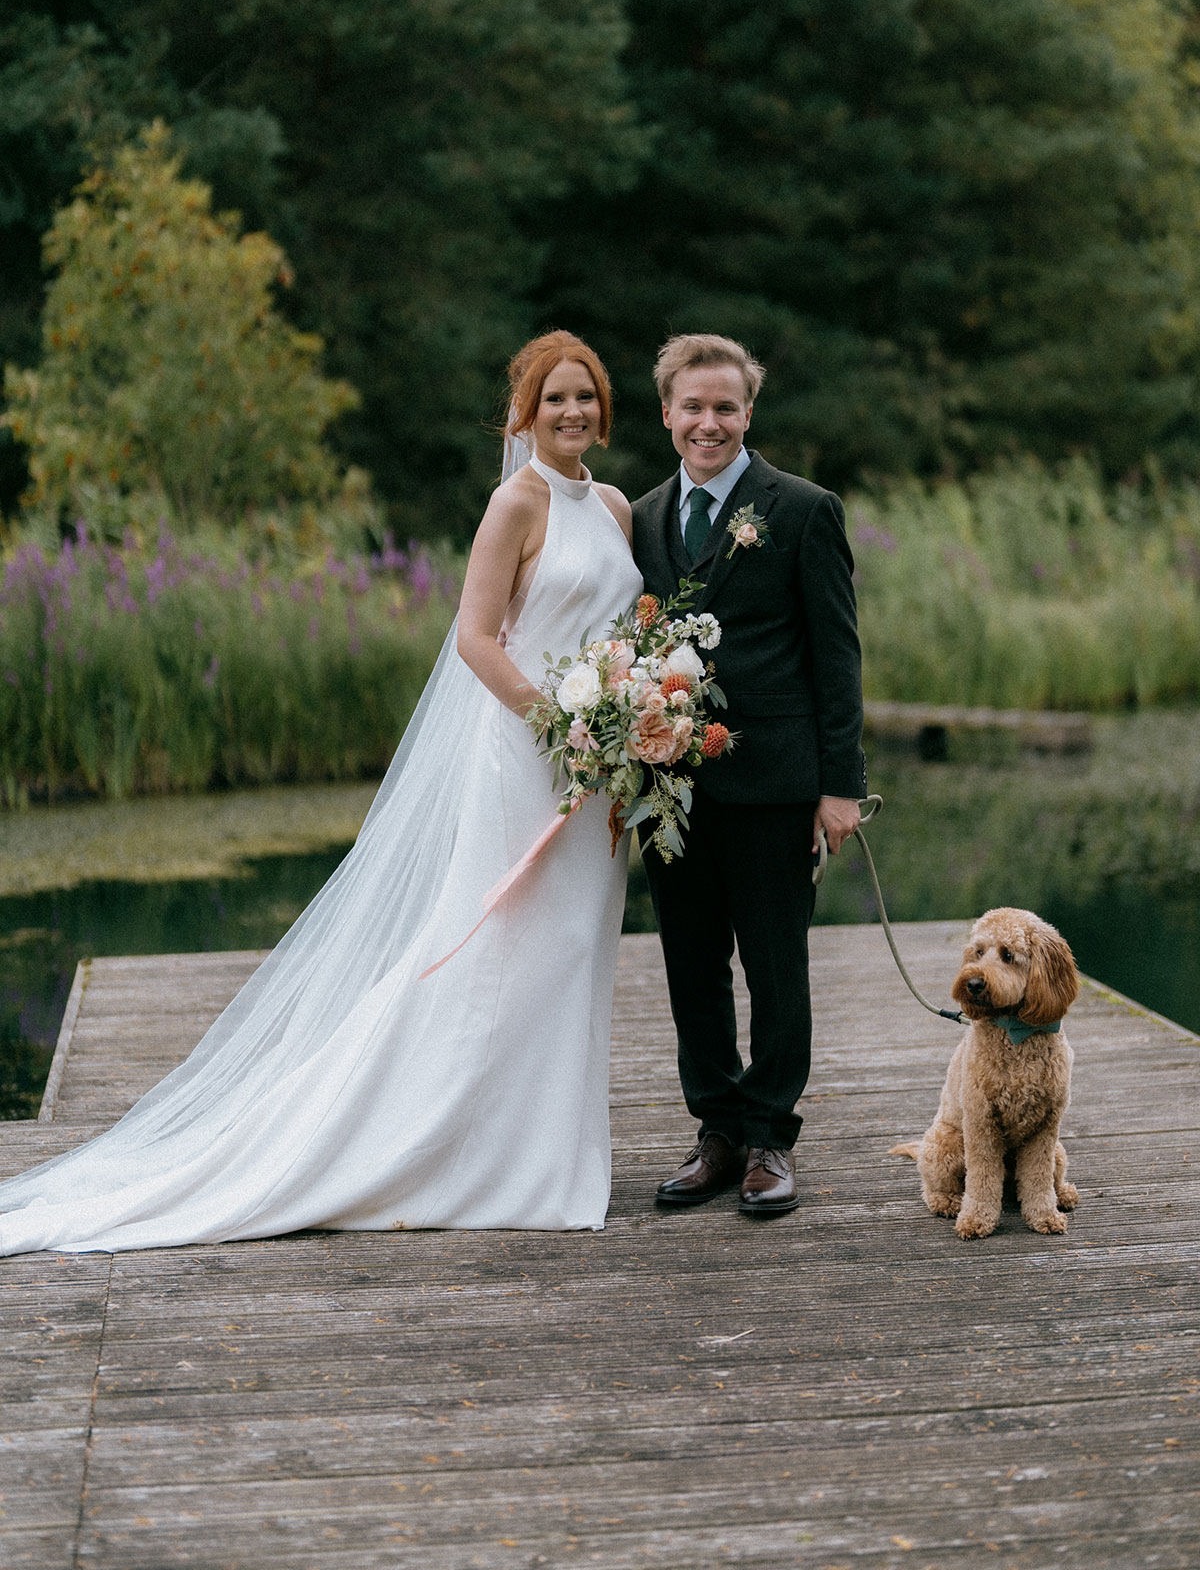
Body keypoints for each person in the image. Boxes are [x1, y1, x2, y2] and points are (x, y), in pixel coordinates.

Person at [0, 332, 641, 1254]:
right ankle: (439, 1147)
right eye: (555, 400)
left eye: (586, 398)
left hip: (599, 772)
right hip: (528, 754)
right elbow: (475, 639)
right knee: (496, 948)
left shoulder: (615, 508)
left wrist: (628, 720)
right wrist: (558, 721)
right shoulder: (515, 504)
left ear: (605, 409)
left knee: (574, 951)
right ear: (525, 413)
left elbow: (626, 627)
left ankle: (541, 1159)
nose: (573, 412)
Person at [631, 333, 866, 1217]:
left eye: (726, 407)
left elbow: (837, 658)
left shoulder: (803, 510)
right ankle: (718, 1132)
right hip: (671, 790)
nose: (709, 422)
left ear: (748, 414)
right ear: (666, 413)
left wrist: (840, 785)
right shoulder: (644, 516)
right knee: (691, 966)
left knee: (775, 965)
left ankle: (770, 1135)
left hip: (775, 784)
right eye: (693, 406)